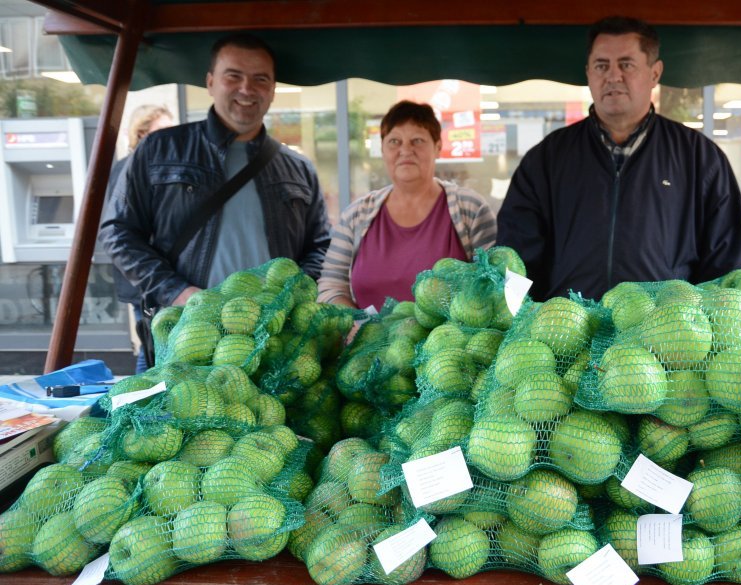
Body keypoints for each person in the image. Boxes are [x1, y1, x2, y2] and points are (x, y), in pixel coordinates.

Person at [496, 16, 741, 301]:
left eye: (626, 64)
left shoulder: (700, 159)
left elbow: (730, 267)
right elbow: (517, 259)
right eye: (601, 65)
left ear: (655, 73)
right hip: (567, 334)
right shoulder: (546, 160)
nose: (613, 76)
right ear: (588, 73)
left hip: (668, 336)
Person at [100, 33, 331, 317]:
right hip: (186, 330)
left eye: (260, 79)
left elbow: (320, 247)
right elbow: (118, 232)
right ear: (210, 82)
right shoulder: (159, 149)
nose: (247, 89)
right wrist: (176, 292)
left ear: (272, 90)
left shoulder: (299, 168)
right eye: (233, 76)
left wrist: (291, 295)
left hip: (275, 331)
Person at [317, 100, 496, 310]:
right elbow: (331, 285)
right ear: (382, 150)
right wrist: (352, 325)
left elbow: (494, 284)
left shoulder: (471, 210)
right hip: (364, 342)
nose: (405, 150)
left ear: (438, 147)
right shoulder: (357, 215)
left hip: (450, 342)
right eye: (394, 141)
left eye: (417, 140)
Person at [101, 104, 175, 373]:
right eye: (164, 130)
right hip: (146, 282)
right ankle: (140, 405)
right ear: (143, 133)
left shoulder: (151, 167)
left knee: (155, 345)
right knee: (152, 346)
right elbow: (122, 234)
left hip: (153, 280)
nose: (173, 137)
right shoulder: (131, 169)